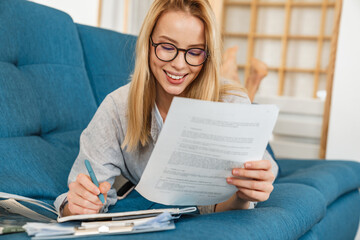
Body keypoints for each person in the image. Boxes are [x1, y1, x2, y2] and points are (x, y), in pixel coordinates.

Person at [55, 0, 278, 216]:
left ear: (206, 56)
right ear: (148, 44)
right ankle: (233, 72)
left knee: (266, 155)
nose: (179, 64)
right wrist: (77, 205)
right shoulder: (117, 107)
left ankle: (237, 77)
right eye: (167, 47)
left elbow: (219, 206)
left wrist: (244, 195)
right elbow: (75, 197)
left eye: (194, 52)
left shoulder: (231, 103)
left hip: (229, 105)